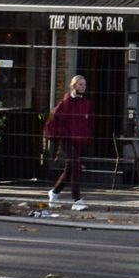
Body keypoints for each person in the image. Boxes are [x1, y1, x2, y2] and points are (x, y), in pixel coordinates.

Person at [41, 75, 93, 211]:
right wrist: (62, 134)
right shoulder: (65, 102)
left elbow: (86, 122)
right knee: (76, 165)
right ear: (73, 85)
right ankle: (77, 200)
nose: (83, 87)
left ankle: (54, 192)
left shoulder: (85, 103)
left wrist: (85, 134)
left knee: (70, 169)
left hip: (78, 139)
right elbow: (54, 119)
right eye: (80, 84)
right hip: (65, 139)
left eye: (84, 84)